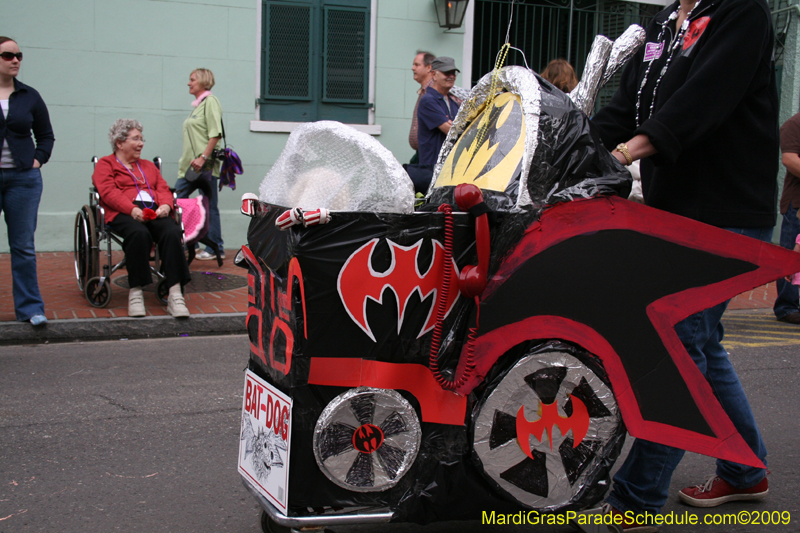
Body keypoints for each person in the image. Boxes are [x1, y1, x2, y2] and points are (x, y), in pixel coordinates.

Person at [590, 0, 776, 526]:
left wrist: (624, 154)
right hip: (676, 210)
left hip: (722, 210)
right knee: (699, 343)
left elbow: (698, 104)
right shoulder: (664, 22)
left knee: (676, 348)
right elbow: (626, 106)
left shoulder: (743, 13)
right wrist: (568, 147)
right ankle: (745, 472)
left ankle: (636, 497)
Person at [93, 119, 191, 318]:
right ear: (120, 143)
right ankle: (136, 292)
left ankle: (174, 293)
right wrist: (131, 210)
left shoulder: (147, 166)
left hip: (153, 209)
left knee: (172, 231)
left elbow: (163, 188)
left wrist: (165, 205)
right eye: (136, 139)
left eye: (142, 139)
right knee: (138, 233)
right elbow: (108, 192)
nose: (141, 143)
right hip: (122, 211)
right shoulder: (106, 164)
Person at [0, 37, 54, 327]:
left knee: (22, 246)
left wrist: (37, 160)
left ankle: (31, 309)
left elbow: (46, 135)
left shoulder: (29, 96)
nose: (15, 60)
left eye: (19, 55)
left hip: (24, 180)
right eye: (8, 55)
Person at [175, 68, 224, 262]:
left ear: (203, 81)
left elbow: (215, 133)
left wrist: (203, 157)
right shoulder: (199, 105)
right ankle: (191, 243)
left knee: (208, 204)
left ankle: (215, 248)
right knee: (179, 202)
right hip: (189, 167)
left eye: (192, 79)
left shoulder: (211, 102)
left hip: (204, 166)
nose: (189, 83)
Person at [408, 56, 462, 193]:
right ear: (433, 74)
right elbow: (453, 132)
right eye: (446, 72)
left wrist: (456, 127)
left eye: (453, 73)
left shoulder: (453, 102)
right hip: (432, 170)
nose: (451, 76)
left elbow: (462, 131)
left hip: (450, 170)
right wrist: (455, 126)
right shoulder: (428, 100)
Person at [773, 112, 800, 324]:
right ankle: (787, 307)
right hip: (797, 203)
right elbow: (790, 159)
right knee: (792, 254)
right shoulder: (795, 124)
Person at [409, 51, 435, 161]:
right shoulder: (424, 91)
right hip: (421, 153)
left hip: (429, 154)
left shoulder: (433, 92)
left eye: (417, 65)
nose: (412, 68)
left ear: (429, 67)